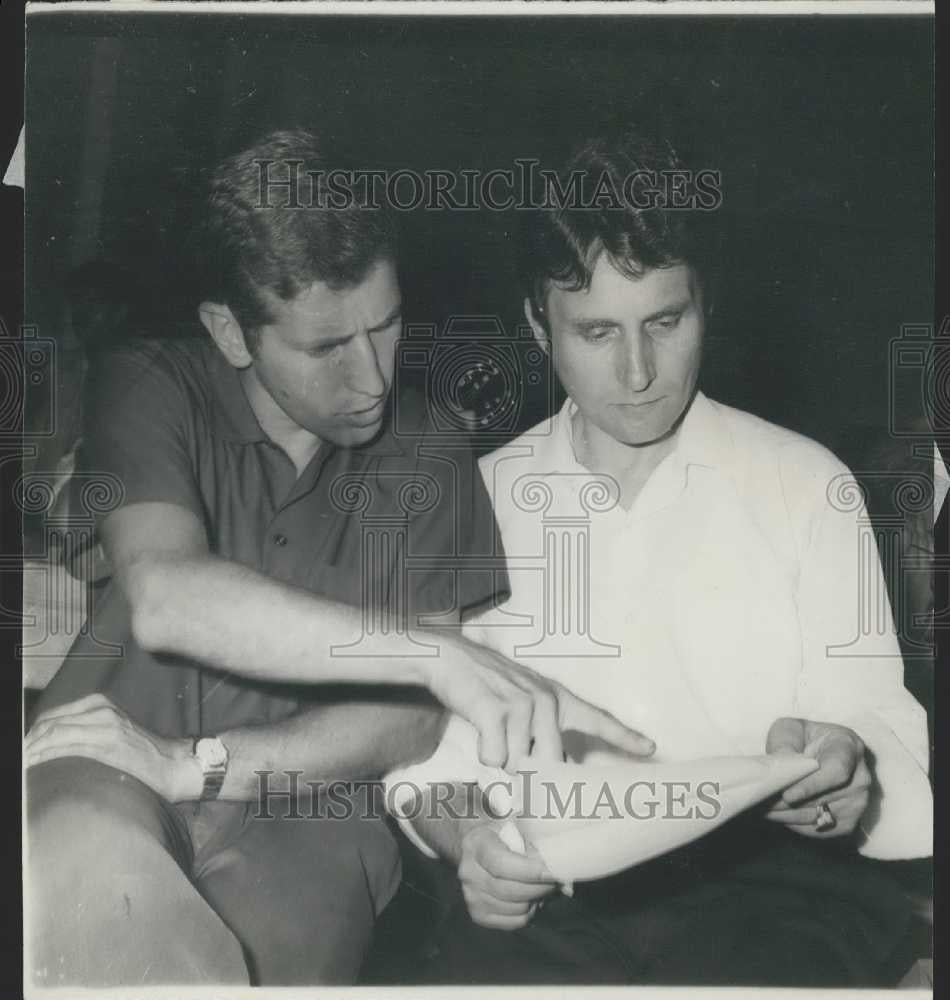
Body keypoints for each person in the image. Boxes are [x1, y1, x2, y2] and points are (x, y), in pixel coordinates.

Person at [23, 129, 650, 987]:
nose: (372, 381)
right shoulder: (151, 381)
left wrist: (201, 763)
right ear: (231, 333)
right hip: (106, 757)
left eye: (387, 328)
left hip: (309, 806)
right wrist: (439, 654)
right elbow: (169, 594)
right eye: (325, 349)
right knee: (88, 864)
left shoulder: (431, 447)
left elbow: (409, 722)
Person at [385, 125, 934, 986]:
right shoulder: (471, 502)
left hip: (772, 897)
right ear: (538, 326)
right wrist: (471, 841)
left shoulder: (806, 483)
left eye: (666, 321)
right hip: (549, 905)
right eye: (597, 332)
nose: (638, 371)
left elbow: (875, 718)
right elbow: (427, 754)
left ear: (705, 303)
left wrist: (847, 773)